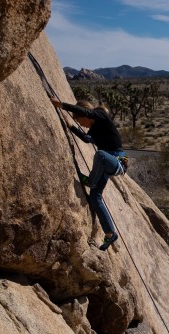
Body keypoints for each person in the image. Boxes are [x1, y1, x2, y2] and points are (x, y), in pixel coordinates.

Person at [50, 98, 125, 251]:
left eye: (79, 120)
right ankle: (110, 233)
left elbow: (86, 112)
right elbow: (86, 139)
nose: (80, 123)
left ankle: (90, 181)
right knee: (95, 198)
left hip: (117, 162)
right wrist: (71, 126)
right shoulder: (94, 129)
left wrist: (62, 105)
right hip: (107, 164)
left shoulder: (100, 115)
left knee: (100, 154)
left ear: (86, 115)